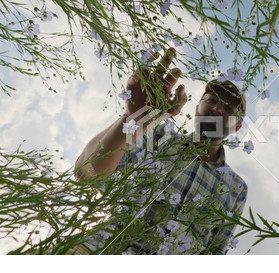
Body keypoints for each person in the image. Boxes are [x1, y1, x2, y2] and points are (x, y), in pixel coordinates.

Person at [74, 47, 247, 254]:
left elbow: (214, 253)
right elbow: (87, 172)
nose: (218, 108)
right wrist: (134, 120)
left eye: (228, 108)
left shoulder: (236, 188)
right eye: (211, 100)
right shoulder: (158, 137)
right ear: (196, 108)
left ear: (237, 127)